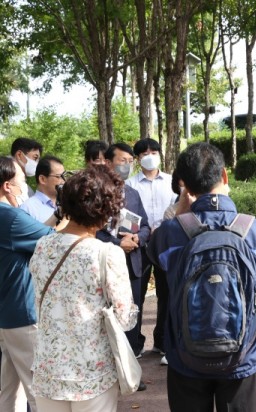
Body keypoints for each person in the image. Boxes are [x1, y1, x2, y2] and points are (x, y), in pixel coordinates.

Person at [146, 142, 256, 412]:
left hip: (184, 356)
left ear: (184, 184)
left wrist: (183, 210)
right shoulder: (254, 231)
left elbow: (156, 257)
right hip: (242, 357)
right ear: (224, 176)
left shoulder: (170, 232)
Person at [29, 166, 138, 412]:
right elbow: (124, 319)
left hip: (48, 369)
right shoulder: (107, 252)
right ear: (107, 211)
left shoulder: (42, 246)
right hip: (92, 372)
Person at [0, 156, 54, 412]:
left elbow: (37, 234)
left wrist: (58, 215)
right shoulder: (9, 217)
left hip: (6, 315)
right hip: (22, 313)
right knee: (39, 390)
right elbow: (51, 241)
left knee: (10, 389)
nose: (24, 189)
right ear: (7, 186)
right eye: (21, 182)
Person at [98, 143, 151, 391]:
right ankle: (108, 374)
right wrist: (118, 243)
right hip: (106, 266)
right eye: (123, 160)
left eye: (131, 161)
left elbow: (146, 226)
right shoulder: (96, 192)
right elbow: (93, 231)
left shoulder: (133, 193)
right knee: (108, 319)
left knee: (132, 318)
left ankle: (131, 373)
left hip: (134, 265)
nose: (127, 165)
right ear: (108, 162)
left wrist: (138, 238)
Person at [126, 138, 176, 364]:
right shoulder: (130, 185)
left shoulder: (171, 182)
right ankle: (135, 343)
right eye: (144, 152)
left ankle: (163, 341)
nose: (149, 155)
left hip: (166, 243)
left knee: (167, 292)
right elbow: (127, 217)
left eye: (153, 151)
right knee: (136, 294)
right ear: (137, 158)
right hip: (139, 245)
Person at [20, 156, 65, 223]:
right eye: (58, 177)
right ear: (42, 179)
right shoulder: (27, 209)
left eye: (64, 176)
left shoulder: (67, 204)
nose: (63, 181)